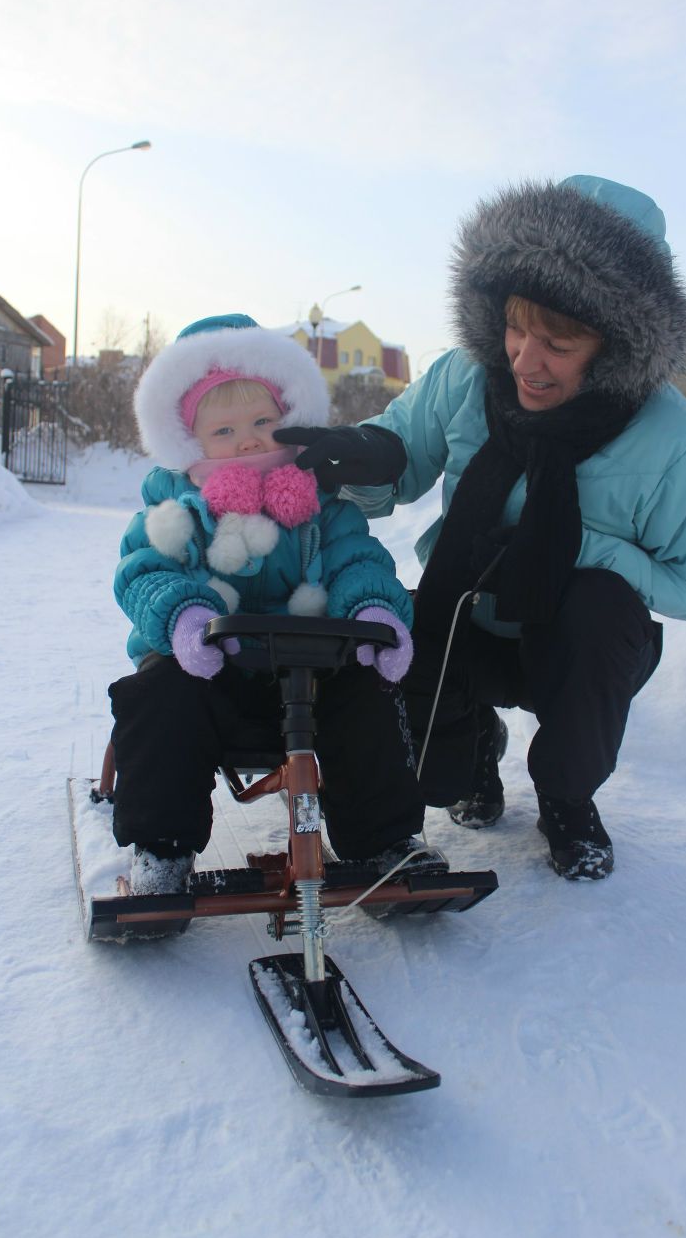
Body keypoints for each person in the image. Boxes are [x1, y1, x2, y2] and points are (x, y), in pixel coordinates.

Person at [275, 175, 686, 881]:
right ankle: (471, 750)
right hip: (464, 617)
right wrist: (361, 456)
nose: (525, 358)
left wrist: (585, 549)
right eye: (516, 327)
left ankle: (567, 796)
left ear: (614, 343)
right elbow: (399, 463)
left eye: (557, 342)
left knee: (599, 608)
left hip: (577, 645)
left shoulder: (672, 440)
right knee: (428, 767)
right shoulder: (466, 377)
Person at [110, 313, 444, 894]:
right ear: (189, 442)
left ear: (289, 423)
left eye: (263, 421)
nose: (247, 440)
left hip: (313, 678)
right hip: (211, 674)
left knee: (369, 695)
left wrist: (374, 614)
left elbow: (355, 560)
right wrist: (185, 620)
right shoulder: (174, 510)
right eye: (224, 431)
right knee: (159, 697)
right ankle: (161, 849)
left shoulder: (323, 504)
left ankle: (386, 840)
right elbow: (145, 572)